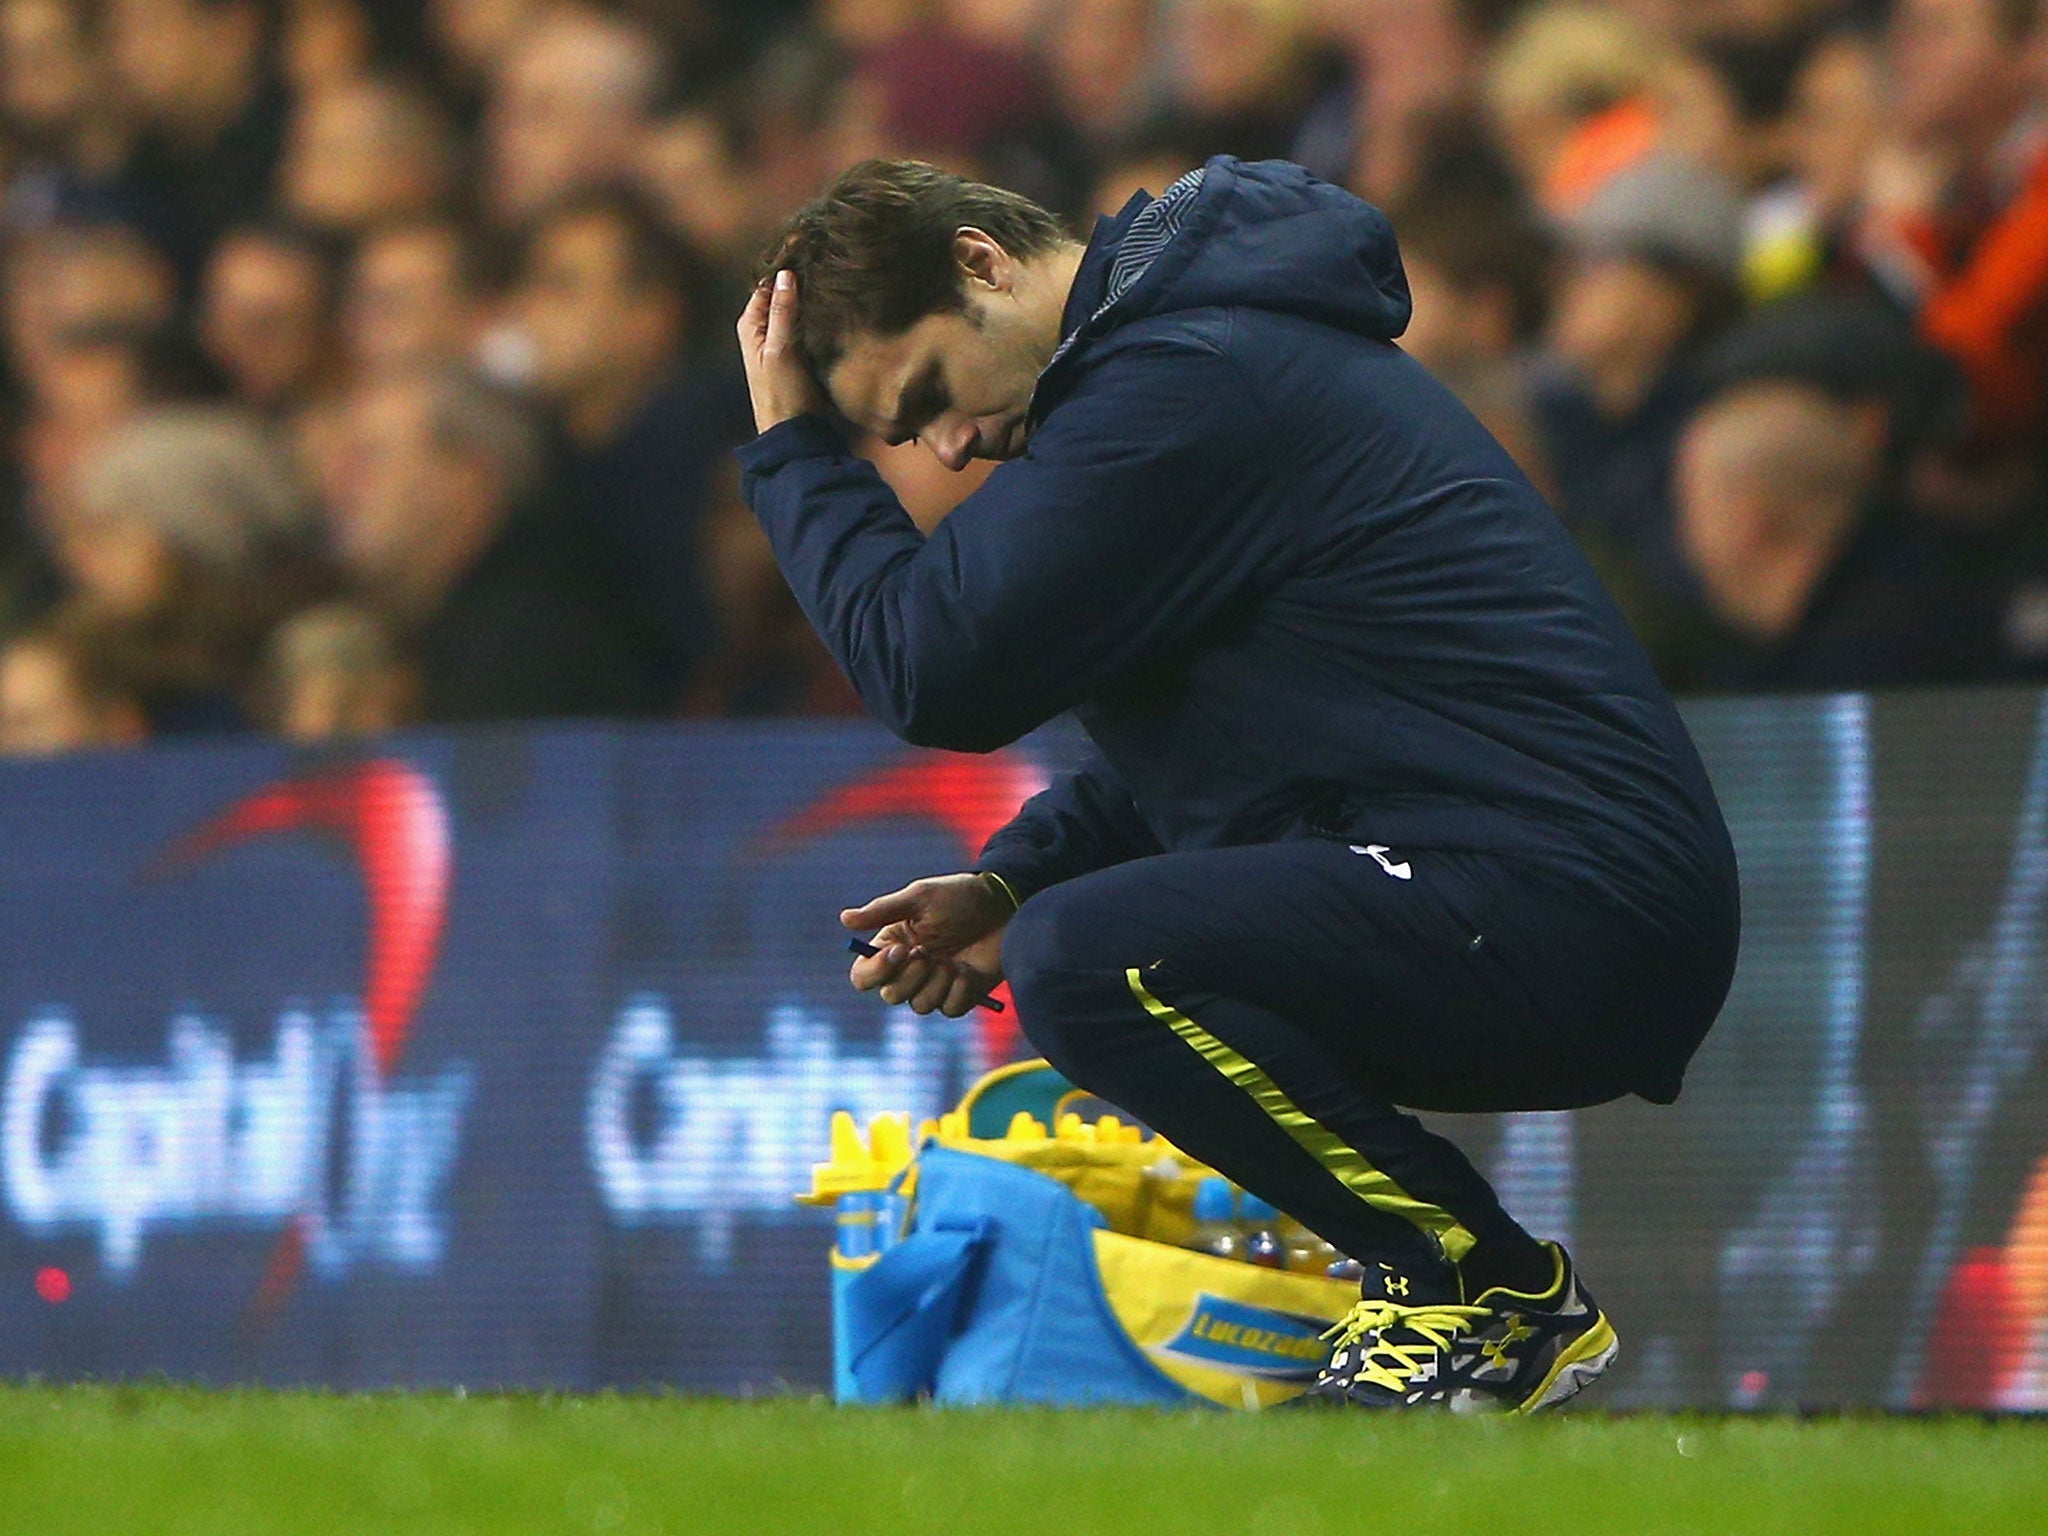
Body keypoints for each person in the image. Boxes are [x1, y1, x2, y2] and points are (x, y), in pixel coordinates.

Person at [734, 157, 1741, 1411]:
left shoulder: (1177, 383)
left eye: (930, 391)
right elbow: (1206, 750)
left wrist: (788, 456)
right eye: (906, 437)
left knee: (1090, 960)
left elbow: (929, 669)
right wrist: (1009, 878)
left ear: (981, 260)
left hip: (1567, 895)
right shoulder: (1178, 369)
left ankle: (1480, 1290)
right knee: (1064, 941)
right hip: (1530, 881)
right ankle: (1458, 1300)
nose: (951, 445)